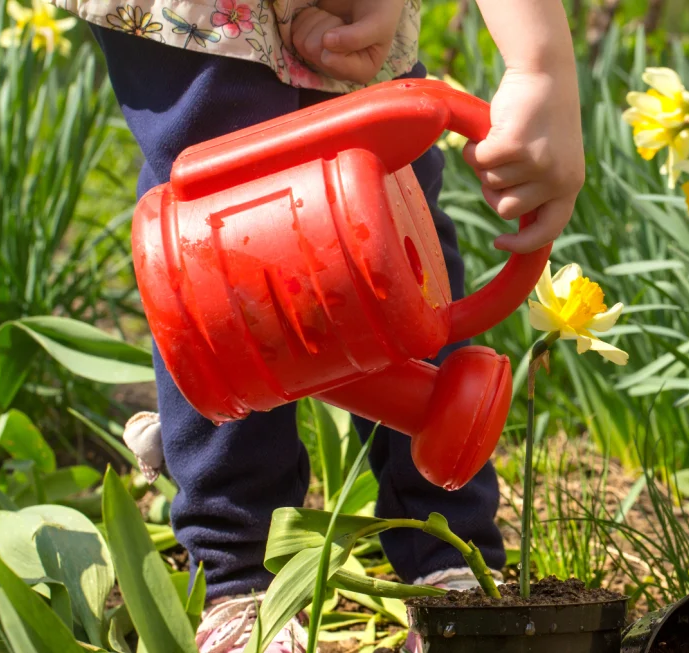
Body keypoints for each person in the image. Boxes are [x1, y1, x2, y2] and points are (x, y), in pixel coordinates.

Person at [50, 0, 584, 648]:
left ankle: (447, 553)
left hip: (364, 18)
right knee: (225, 248)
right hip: (212, 19)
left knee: (392, 234)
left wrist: (539, 67)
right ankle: (234, 577)